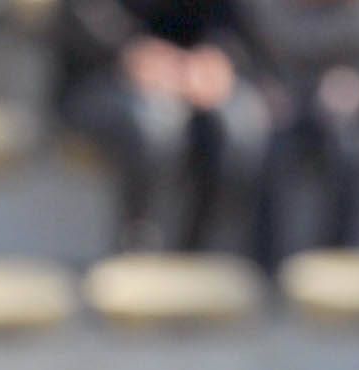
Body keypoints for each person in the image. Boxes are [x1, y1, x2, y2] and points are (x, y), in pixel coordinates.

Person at [56, 0, 272, 253]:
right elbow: (83, 17)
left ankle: (209, 253)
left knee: (241, 123)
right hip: (101, 74)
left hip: (191, 71)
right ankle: (140, 246)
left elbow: (230, 20)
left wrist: (218, 54)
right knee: (156, 123)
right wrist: (131, 51)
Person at [244, 0, 359, 267]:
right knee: (258, 145)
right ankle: (267, 265)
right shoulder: (261, 9)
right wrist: (259, 86)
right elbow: (241, 50)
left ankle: (340, 259)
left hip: (343, 105)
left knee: (354, 145)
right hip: (281, 101)